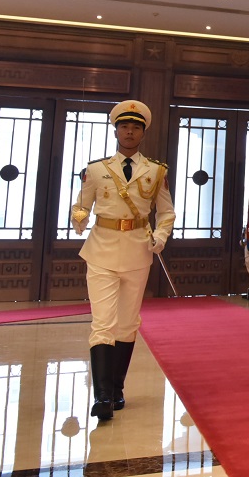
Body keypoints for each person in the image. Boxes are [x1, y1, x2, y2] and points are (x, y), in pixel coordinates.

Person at [71, 100, 174, 422]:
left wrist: (160, 236)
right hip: (101, 249)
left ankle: (116, 388)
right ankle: (101, 395)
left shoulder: (156, 171)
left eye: (136, 127)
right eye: (124, 126)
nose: (129, 132)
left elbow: (166, 211)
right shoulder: (96, 169)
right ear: (115, 130)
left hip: (137, 251)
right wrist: (79, 217)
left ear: (143, 132)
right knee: (102, 323)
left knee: (128, 324)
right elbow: (80, 205)